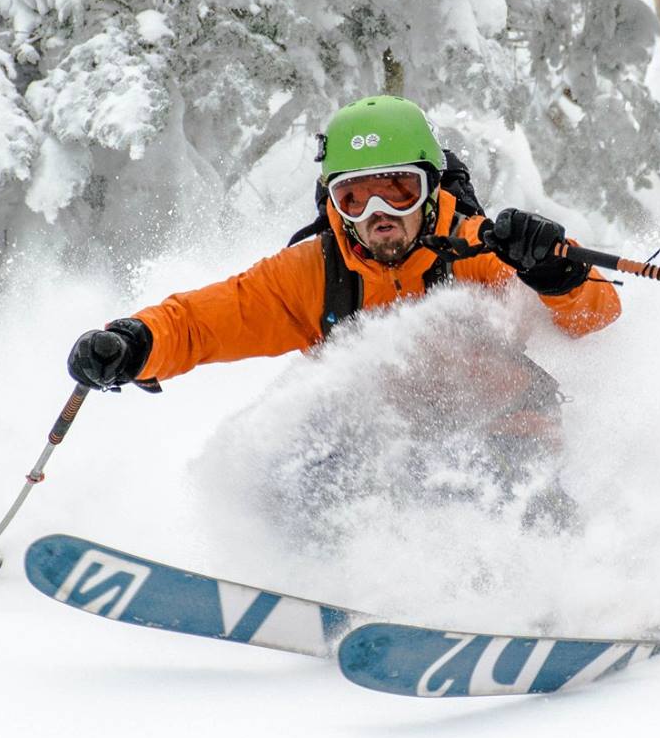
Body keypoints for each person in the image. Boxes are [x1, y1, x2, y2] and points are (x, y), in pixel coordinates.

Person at [66, 95, 620, 526]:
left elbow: (595, 314)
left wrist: (553, 272)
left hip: (500, 429)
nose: (378, 213)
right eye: (355, 198)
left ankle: (569, 583)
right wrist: (136, 342)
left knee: (497, 485)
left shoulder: (481, 250)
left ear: (430, 192)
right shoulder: (313, 273)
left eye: (398, 190)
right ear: (333, 201)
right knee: (295, 468)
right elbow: (206, 318)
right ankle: (336, 593)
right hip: (385, 440)